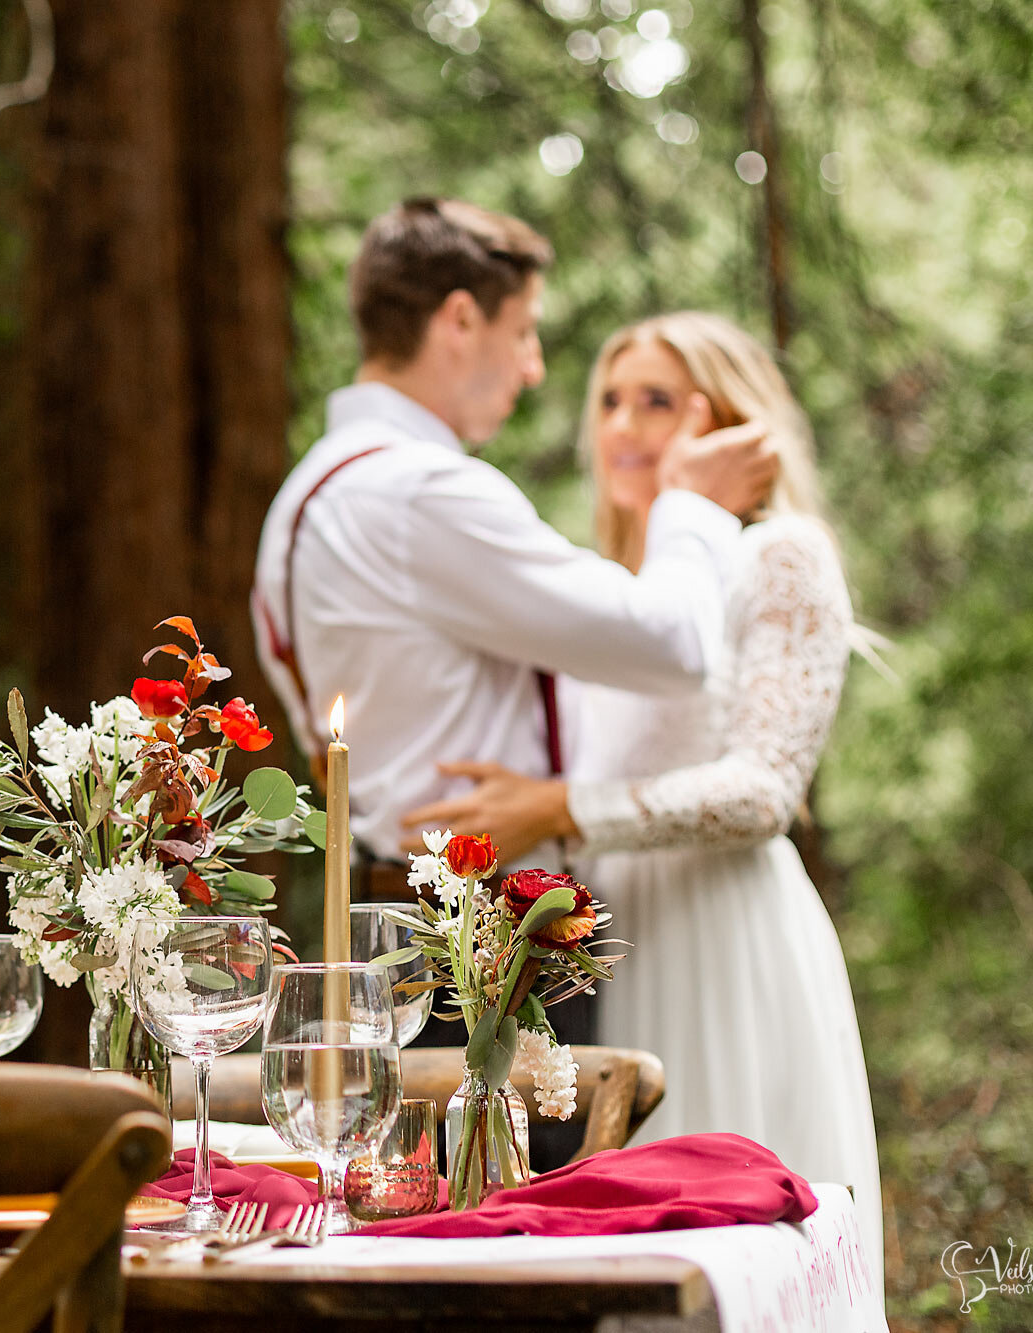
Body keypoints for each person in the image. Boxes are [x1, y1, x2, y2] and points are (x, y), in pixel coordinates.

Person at [399, 310, 884, 1290]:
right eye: (610, 402)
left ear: (727, 422)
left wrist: (560, 807)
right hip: (614, 953)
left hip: (728, 935)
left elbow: (761, 791)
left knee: (728, 1221)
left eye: (657, 401)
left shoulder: (776, 555)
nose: (623, 425)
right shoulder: (618, 596)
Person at [251, 199, 776, 1078]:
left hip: (388, 917)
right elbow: (674, 645)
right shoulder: (424, 491)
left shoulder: (300, 503)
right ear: (460, 319)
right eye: (523, 331)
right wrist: (691, 503)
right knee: (513, 1207)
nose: (533, 368)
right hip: (491, 947)